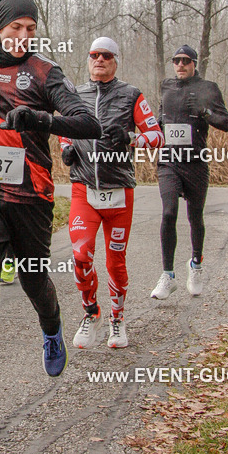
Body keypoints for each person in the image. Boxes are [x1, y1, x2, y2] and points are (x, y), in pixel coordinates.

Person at [0, 0, 102, 439]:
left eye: (31, 28)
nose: (23, 36)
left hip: (32, 195)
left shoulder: (46, 72)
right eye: (16, 28)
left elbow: (88, 124)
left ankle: (51, 325)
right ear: (0, 28)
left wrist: (40, 120)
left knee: (32, 278)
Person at [59, 37, 164, 350]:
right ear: (89, 59)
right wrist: (66, 148)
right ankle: (91, 313)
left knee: (115, 262)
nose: (99, 60)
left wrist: (131, 138)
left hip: (119, 192)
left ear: (116, 60)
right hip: (84, 190)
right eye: (94, 54)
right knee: (81, 255)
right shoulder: (75, 93)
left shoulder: (131, 95)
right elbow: (65, 130)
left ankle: (117, 318)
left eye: (106, 55)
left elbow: (157, 136)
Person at [151, 45, 228, 300]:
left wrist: (204, 112)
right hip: (169, 161)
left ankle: (195, 264)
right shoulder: (166, 86)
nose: (180, 65)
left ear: (194, 63)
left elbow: (226, 123)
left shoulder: (209, 88)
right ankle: (168, 275)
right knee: (168, 212)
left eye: (186, 60)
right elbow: (160, 121)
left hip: (195, 163)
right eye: (176, 60)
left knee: (195, 217)